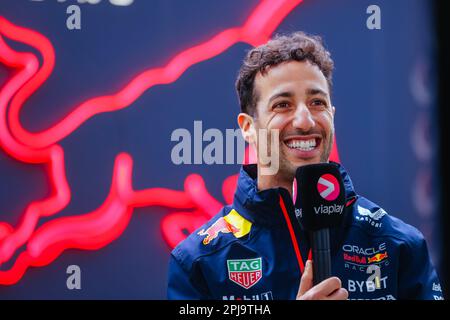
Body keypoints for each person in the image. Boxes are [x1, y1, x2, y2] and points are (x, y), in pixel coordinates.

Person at [167, 32, 443, 300]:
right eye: (283, 104)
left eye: (317, 102)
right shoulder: (199, 263)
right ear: (248, 128)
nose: (305, 121)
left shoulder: (397, 245)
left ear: (332, 116)